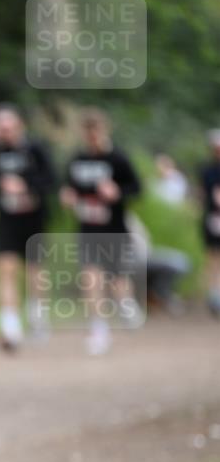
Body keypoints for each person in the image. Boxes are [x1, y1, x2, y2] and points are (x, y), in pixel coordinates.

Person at [0, 104, 56, 350]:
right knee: (5, 270)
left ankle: (38, 317)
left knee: (35, 272)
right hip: (6, 219)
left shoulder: (35, 149)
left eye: (8, 128)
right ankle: (10, 327)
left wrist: (24, 186)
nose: (4, 133)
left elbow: (52, 180)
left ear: (19, 127)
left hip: (34, 220)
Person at [60, 108, 142, 356]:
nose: (91, 137)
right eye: (87, 132)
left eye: (95, 131)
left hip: (114, 227)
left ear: (104, 130)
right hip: (88, 228)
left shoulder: (118, 158)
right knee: (91, 277)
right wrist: (68, 195)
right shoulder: (78, 159)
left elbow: (136, 189)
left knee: (116, 278)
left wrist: (117, 192)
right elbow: (69, 186)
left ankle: (126, 305)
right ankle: (99, 329)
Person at [199, 128, 220, 316]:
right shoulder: (207, 171)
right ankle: (214, 294)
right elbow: (203, 194)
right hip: (213, 218)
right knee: (213, 256)